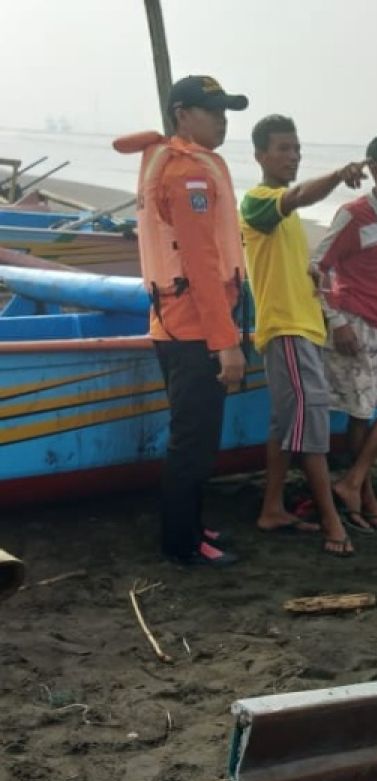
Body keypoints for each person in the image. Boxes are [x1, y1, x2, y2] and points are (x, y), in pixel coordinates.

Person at [112, 75, 249, 566]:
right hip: (194, 328)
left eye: (225, 111)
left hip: (173, 322)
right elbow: (201, 264)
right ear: (182, 115)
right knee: (193, 442)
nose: (222, 119)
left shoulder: (169, 162)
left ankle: (191, 525)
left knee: (191, 436)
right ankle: (183, 544)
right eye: (212, 110)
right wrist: (226, 342)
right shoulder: (186, 174)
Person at [240, 114, 367, 556]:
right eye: (282, 149)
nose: (292, 156)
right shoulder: (260, 201)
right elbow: (295, 196)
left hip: (304, 327)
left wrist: (311, 276)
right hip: (287, 329)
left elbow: (288, 264)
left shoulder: (287, 218)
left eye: (296, 149)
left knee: (285, 426)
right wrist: (337, 174)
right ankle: (333, 523)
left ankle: (272, 507)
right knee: (310, 427)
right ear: (260, 155)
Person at [311, 135, 377, 532]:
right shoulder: (353, 215)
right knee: (361, 412)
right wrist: (335, 321)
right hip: (353, 323)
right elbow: (316, 268)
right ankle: (364, 495)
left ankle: (353, 482)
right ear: (374, 168)